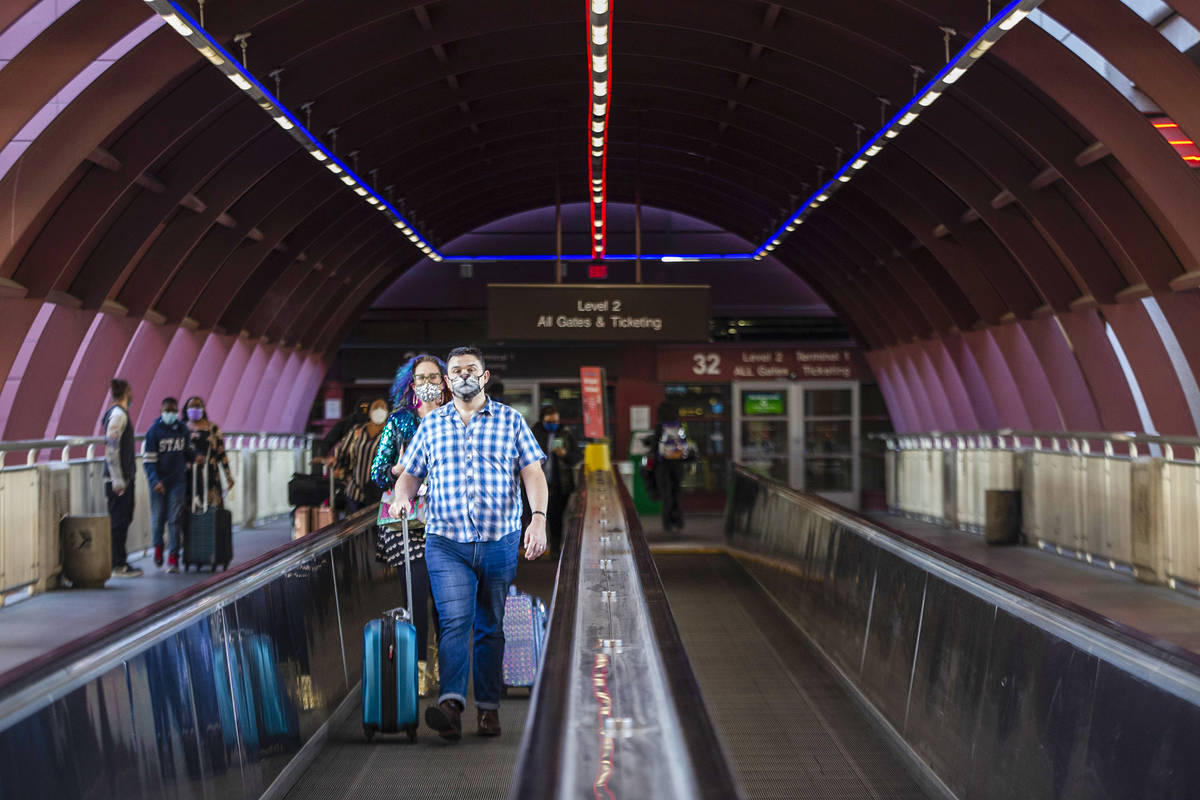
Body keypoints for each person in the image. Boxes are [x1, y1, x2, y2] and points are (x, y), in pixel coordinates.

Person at [390, 346, 548, 741]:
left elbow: (532, 472)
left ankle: (489, 708)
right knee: (455, 622)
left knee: (490, 625)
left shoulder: (511, 421)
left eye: (471, 369)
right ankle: (452, 705)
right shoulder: (432, 425)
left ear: (484, 376)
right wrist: (401, 497)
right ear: (447, 380)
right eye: (456, 370)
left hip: (499, 541)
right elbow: (410, 475)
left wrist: (538, 519)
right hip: (446, 543)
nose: (463, 375)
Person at [370, 354, 452, 695]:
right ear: (411, 384)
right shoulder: (400, 421)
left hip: (448, 522)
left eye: (434, 376)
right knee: (416, 596)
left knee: (447, 602)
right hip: (408, 524)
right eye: (421, 378)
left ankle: (447, 671)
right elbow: (377, 472)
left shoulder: (455, 418)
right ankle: (418, 671)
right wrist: (400, 470)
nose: (427, 383)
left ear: (444, 381)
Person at [144, 397, 196, 573]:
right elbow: (148, 461)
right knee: (158, 518)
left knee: (174, 519)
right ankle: (158, 547)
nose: (171, 414)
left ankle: (173, 557)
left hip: (178, 481)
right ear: (161, 412)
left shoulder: (182, 429)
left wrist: (195, 456)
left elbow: (188, 451)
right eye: (167, 411)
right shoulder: (153, 432)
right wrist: (154, 481)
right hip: (159, 482)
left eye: (174, 411)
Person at [103, 378, 142, 578]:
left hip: (122, 478)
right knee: (119, 521)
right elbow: (111, 449)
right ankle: (117, 564)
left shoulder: (117, 413)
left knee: (124, 519)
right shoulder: (118, 415)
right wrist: (118, 480)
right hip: (119, 480)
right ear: (126, 392)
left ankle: (120, 560)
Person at [529, 404, 581, 557]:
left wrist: (565, 455)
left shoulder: (565, 434)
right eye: (549, 421)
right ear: (542, 420)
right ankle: (533, 548)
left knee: (556, 518)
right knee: (534, 517)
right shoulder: (534, 433)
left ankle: (555, 549)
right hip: (536, 484)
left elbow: (577, 457)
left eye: (555, 421)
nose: (553, 424)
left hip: (559, 484)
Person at [331, 397, 388, 513]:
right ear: (370, 412)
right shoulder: (358, 431)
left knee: (372, 522)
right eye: (376, 408)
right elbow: (341, 450)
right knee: (353, 522)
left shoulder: (388, 433)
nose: (379, 412)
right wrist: (338, 465)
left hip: (377, 492)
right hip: (354, 489)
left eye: (382, 408)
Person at [645, 401, 695, 533]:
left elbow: (655, 447)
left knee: (666, 494)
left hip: (663, 466)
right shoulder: (679, 427)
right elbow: (685, 444)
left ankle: (667, 523)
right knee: (676, 492)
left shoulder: (660, 427)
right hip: (677, 465)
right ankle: (678, 521)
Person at [183, 396, 234, 508]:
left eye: (197, 406)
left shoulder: (212, 428)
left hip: (211, 476)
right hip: (189, 477)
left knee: (212, 511)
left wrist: (228, 476)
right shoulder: (182, 428)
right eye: (191, 406)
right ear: (186, 409)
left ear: (203, 408)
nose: (194, 409)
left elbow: (221, 453)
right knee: (190, 509)